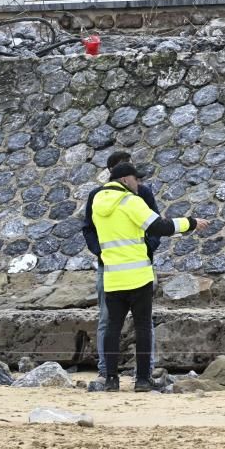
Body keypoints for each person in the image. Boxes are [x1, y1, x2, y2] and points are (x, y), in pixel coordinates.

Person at [88, 162, 202, 392]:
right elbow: (158, 226)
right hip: (138, 277)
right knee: (142, 327)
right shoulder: (131, 201)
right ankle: (142, 379)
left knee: (112, 328)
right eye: (136, 178)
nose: (139, 183)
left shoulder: (97, 202)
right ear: (124, 180)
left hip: (112, 277)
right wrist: (190, 223)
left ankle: (111, 380)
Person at [83, 152, 163, 391]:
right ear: (114, 173)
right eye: (125, 168)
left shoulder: (142, 192)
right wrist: (101, 252)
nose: (133, 175)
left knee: (142, 323)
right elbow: (89, 228)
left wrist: (148, 247)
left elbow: (155, 224)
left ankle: (143, 374)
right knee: (108, 321)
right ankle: (107, 373)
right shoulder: (97, 196)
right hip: (110, 267)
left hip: (137, 265)